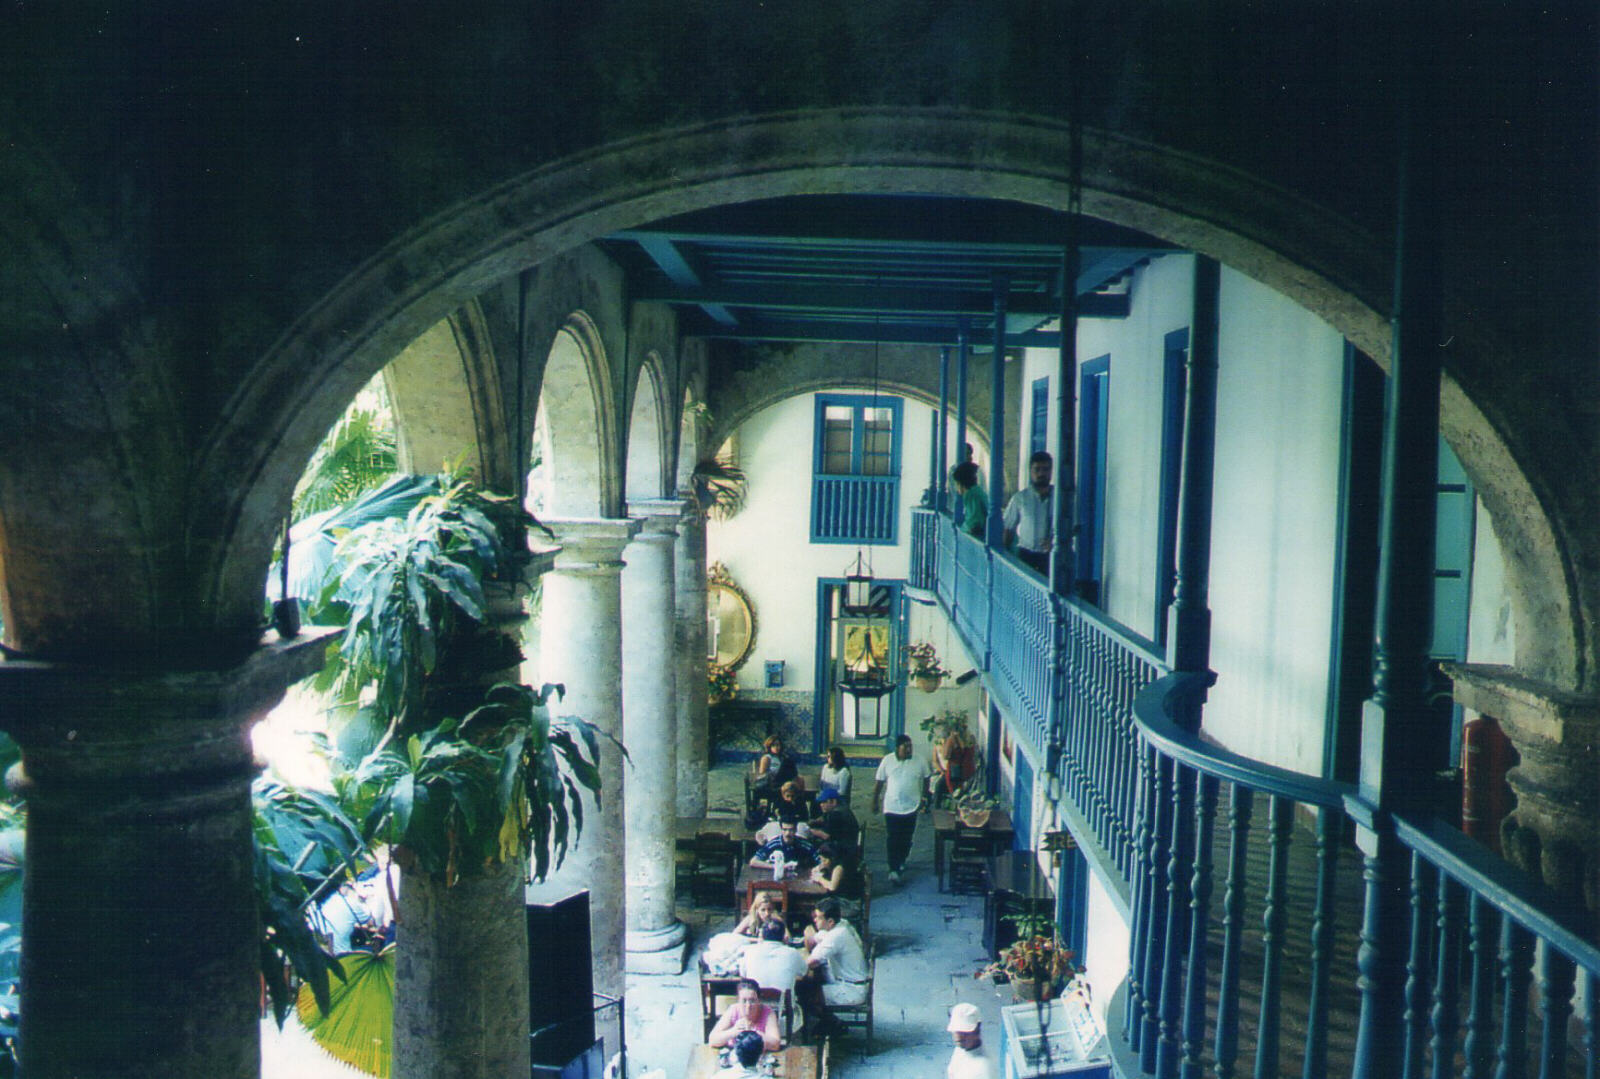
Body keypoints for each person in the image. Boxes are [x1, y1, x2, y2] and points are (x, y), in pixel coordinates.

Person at [797, 899, 869, 1040]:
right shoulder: (842, 925)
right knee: (815, 982)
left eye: (818, 918)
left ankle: (832, 1023)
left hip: (851, 991)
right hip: (852, 981)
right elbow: (815, 938)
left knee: (805, 993)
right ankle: (831, 1023)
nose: (815, 920)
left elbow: (810, 963)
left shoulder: (836, 936)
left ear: (830, 921)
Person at [872, 734, 930, 883]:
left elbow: (927, 777)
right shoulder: (887, 761)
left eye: (911, 746)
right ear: (897, 748)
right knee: (893, 837)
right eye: (906, 747)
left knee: (906, 837)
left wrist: (924, 797)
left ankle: (902, 859)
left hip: (912, 806)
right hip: (892, 807)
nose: (910, 750)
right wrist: (875, 801)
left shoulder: (919, 761)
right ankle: (893, 869)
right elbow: (879, 782)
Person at [1003, 450, 1054, 575]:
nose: (1041, 473)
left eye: (1046, 469)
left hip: (1051, 557)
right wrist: (1003, 556)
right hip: (1026, 556)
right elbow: (1008, 528)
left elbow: (1074, 527)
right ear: (1030, 471)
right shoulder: (1020, 498)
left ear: (1051, 471)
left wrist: (1055, 542)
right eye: (1037, 469)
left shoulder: (1060, 499)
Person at [708, 979, 782, 1052]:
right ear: (738, 1001)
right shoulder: (733, 1010)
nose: (748, 1006)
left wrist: (753, 1032)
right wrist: (734, 1031)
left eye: (752, 1001)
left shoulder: (768, 1013)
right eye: (744, 1001)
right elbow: (712, 1041)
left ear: (759, 1000)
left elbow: (776, 1044)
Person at [739, 917, 808, 996]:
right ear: (783, 937)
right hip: (783, 1006)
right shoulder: (792, 953)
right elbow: (804, 972)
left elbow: (743, 975)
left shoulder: (750, 951)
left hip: (755, 1006)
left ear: (762, 936)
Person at [809, 843, 863, 920]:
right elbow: (816, 870)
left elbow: (832, 887)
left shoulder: (839, 868)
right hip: (840, 900)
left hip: (849, 905)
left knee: (819, 907)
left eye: (825, 860)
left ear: (832, 858)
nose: (823, 862)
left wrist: (820, 879)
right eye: (821, 859)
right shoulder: (831, 865)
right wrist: (818, 868)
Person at [945, 1002, 997, 1079]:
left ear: (977, 1031)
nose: (958, 1036)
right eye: (956, 1031)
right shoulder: (961, 1048)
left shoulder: (983, 1070)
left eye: (964, 1032)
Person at [807, 787, 859, 860]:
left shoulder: (836, 814)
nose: (821, 805)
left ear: (833, 801)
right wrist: (815, 821)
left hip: (843, 849)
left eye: (824, 802)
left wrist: (810, 831)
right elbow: (824, 819)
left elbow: (826, 835)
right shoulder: (843, 808)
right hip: (851, 844)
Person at [749, 819, 817, 870]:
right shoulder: (774, 843)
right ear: (781, 830)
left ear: (796, 830)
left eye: (791, 830)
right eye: (785, 830)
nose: (787, 833)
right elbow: (753, 862)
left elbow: (821, 860)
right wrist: (778, 866)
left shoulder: (804, 844)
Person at [951, 461, 987, 539]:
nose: (956, 488)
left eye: (956, 484)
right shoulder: (977, 491)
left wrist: (962, 532)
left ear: (961, 483)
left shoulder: (971, 495)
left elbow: (974, 524)